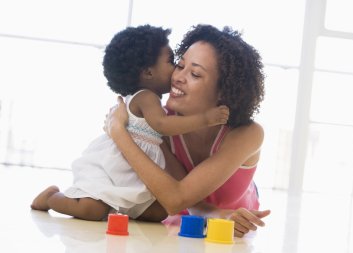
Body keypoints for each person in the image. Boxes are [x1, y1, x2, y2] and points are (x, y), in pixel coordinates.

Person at [30, 25, 229, 222]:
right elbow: (162, 125)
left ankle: (115, 208)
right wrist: (206, 119)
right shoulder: (146, 98)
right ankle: (51, 198)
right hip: (111, 167)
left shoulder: (154, 100)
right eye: (171, 62)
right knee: (91, 210)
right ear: (148, 73)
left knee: (158, 212)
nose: (176, 70)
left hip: (132, 171)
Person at [104, 24, 270, 238]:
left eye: (195, 74)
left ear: (224, 90)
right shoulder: (160, 125)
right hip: (187, 220)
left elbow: (177, 198)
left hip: (235, 220)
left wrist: (119, 133)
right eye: (180, 65)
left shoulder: (247, 133)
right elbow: (180, 201)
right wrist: (218, 216)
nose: (178, 77)